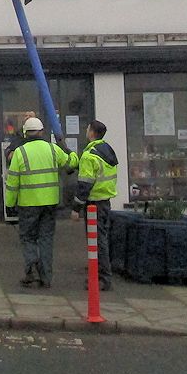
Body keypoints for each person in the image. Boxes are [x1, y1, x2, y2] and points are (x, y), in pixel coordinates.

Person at [4, 116, 77, 288]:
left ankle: (32, 268)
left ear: (25, 133)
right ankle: (46, 277)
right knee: (46, 239)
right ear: (42, 131)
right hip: (50, 203)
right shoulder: (52, 149)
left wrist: (9, 204)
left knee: (28, 238)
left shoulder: (20, 152)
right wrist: (68, 150)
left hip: (28, 204)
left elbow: (12, 182)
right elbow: (72, 163)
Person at [71, 119, 119, 291]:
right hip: (105, 201)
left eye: (87, 128)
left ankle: (103, 278)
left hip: (94, 204)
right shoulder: (106, 149)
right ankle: (99, 273)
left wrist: (76, 207)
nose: (86, 131)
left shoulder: (89, 154)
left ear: (92, 132)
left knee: (97, 242)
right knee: (101, 239)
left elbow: (85, 184)